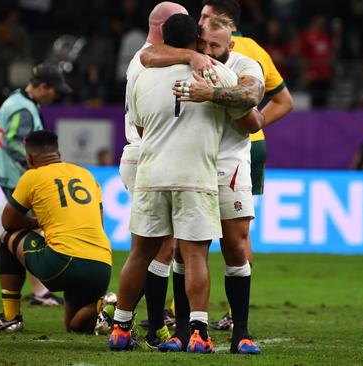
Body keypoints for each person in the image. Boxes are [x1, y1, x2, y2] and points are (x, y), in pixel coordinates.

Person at [108, 13, 262, 353]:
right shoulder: (217, 72)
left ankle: (120, 327)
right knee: (194, 255)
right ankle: (198, 333)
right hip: (195, 176)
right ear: (195, 39)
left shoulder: (142, 75)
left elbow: (141, 129)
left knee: (140, 253)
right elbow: (251, 120)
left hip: (151, 174)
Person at [158, 14, 264, 355]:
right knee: (183, 250)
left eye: (215, 46)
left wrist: (212, 93)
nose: (207, 50)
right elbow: (147, 55)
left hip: (229, 165)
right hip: (191, 166)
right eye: (203, 44)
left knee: (235, 246)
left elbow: (253, 112)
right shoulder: (188, 61)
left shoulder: (242, 65)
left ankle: (241, 332)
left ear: (230, 45)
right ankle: (185, 330)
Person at [115, 1, 216, 349]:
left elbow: (141, 120)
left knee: (148, 250)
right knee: (178, 250)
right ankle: (164, 325)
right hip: (155, 158)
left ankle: (124, 325)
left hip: (148, 162)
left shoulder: (144, 70)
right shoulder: (149, 60)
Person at [198, 0, 294, 332]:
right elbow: (284, 99)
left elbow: (283, 100)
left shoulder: (246, 52)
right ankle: (208, 312)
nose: (200, 22)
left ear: (221, 22)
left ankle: (224, 312)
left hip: (240, 149)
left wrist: (252, 121)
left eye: (204, 16)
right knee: (222, 235)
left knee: (232, 234)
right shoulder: (246, 49)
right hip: (217, 145)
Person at [0, 130, 112, 333]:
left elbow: (8, 221)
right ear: (58, 154)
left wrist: (39, 223)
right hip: (102, 267)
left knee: (6, 238)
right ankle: (103, 304)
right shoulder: (86, 175)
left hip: (62, 262)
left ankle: (11, 318)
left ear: (29, 157)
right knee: (74, 327)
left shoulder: (32, 176)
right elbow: (99, 223)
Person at [0, 63, 71, 306]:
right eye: (55, 91)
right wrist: (39, 167)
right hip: (17, 177)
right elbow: (14, 143)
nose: (55, 96)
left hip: (10, 174)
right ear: (44, 87)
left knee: (19, 231)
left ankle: (38, 291)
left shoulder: (15, 99)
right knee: (25, 231)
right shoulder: (24, 109)